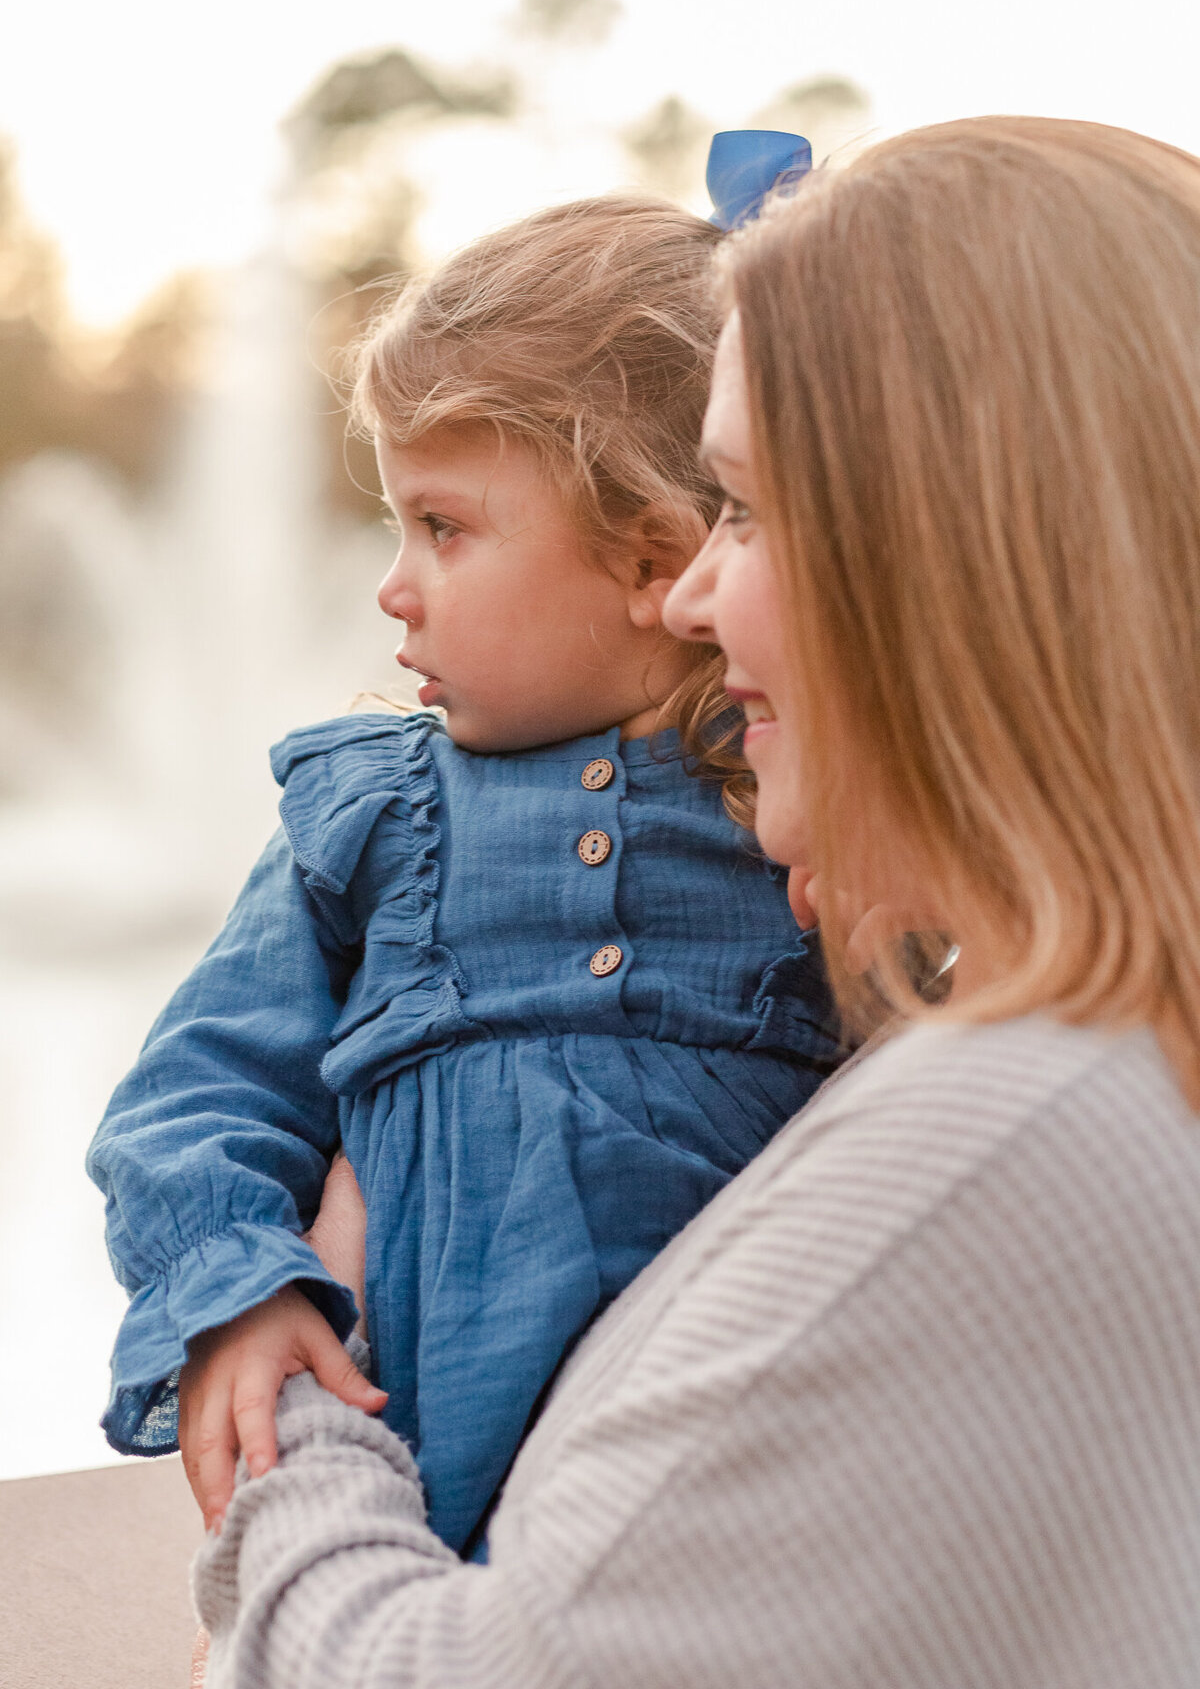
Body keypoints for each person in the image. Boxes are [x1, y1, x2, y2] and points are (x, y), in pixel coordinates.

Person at [190, 115, 1200, 1688]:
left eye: (740, 510)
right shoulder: (1094, 1065)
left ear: (940, 554)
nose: (694, 590)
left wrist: (308, 1420)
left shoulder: (1001, 1123)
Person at [86, 190, 839, 1557]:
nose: (393, 587)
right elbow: (196, 1094)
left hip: (730, 1515)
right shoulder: (371, 813)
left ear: (650, 556)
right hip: (419, 1490)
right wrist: (247, 1295)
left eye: (444, 527)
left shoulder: (803, 815)